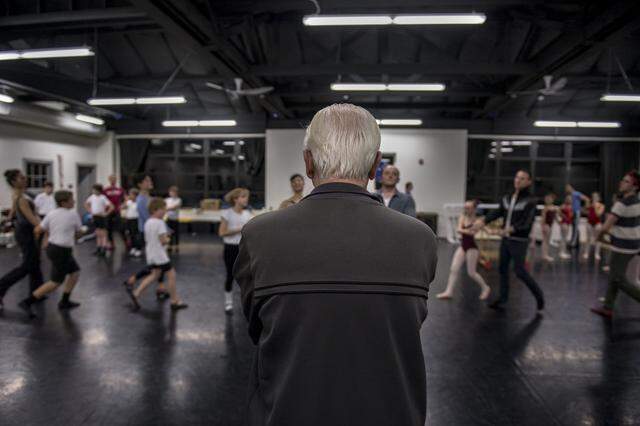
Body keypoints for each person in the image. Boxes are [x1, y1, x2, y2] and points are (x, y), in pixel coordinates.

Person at [234, 104, 438, 426]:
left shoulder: (259, 235)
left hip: (288, 412)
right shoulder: (421, 239)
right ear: (374, 165)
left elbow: (258, 328)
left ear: (308, 162)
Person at [473, 170, 545, 311]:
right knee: (502, 269)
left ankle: (539, 295)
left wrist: (506, 230)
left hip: (519, 241)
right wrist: (483, 221)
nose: (518, 180)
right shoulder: (507, 197)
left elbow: (526, 224)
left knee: (519, 271)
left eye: (523, 178)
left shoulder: (531, 200)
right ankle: (503, 298)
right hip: (506, 240)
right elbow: (498, 212)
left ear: (529, 182)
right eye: (517, 177)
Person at [19, 190, 83, 317]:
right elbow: (79, 233)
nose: (74, 201)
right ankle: (27, 302)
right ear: (64, 202)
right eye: (71, 199)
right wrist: (76, 233)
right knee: (55, 282)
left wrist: (45, 239)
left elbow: (38, 229)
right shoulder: (73, 214)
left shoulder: (51, 214)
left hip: (54, 248)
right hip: (61, 251)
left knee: (75, 272)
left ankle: (64, 301)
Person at [590, 171, 640, 318]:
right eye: (622, 180)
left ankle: (609, 306)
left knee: (618, 279)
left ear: (634, 187)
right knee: (614, 276)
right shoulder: (637, 201)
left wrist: (598, 238)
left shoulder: (621, 204)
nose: (621, 183)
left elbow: (605, 227)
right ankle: (608, 307)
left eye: (626, 181)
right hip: (634, 244)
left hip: (623, 247)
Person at [123, 198, 187, 312]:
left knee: (155, 275)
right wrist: (168, 238)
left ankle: (136, 293)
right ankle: (174, 301)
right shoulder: (160, 223)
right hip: (160, 255)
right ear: (155, 210)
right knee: (171, 275)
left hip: (151, 253)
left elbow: (148, 238)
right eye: (163, 210)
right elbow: (163, 240)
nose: (165, 212)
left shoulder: (148, 222)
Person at [0, 170, 44, 310]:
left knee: (35, 263)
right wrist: (47, 227)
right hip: (26, 234)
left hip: (25, 232)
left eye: (25, 177)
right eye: (21, 178)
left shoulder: (18, 194)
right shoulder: (22, 198)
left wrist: (8, 220)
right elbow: (33, 220)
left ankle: (37, 293)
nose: (25, 179)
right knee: (27, 265)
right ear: (14, 182)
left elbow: (13, 211)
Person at [437, 200, 491, 300]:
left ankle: (485, 287)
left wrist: (472, 230)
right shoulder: (463, 217)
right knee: (454, 269)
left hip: (472, 248)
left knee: (472, 273)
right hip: (463, 246)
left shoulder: (478, 221)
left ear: (474, 209)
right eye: (465, 207)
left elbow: (473, 233)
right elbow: (459, 230)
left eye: (468, 207)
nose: (466, 209)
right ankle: (449, 291)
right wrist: (468, 230)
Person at [219, 187, 252, 313]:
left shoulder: (247, 214)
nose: (246, 199)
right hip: (230, 249)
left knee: (247, 277)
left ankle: (247, 303)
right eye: (243, 197)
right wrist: (240, 229)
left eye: (246, 196)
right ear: (235, 199)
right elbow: (221, 232)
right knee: (230, 275)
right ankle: (228, 303)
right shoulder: (227, 213)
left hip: (244, 248)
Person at [85, 184, 113, 256]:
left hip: (101, 217)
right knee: (97, 233)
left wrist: (106, 213)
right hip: (95, 216)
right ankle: (99, 248)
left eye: (94, 189)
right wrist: (90, 211)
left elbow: (111, 206)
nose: (93, 191)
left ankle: (104, 248)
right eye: (93, 189)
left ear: (98, 190)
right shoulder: (92, 197)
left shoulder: (103, 197)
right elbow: (86, 204)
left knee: (103, 233)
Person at [103, 174, 125, 251]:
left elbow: (123, 200)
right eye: (111, 179)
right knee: (108, 228)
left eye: (114, 179)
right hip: (109, 211)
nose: (113, 180)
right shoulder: (105, 190)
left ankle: (126, 242)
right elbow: (103, 200)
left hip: (117, 211)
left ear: (116, 180)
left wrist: (122, 205)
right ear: (109, 180)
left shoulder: (120, 190)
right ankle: (111, 244)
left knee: (121, 227)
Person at [565, 184, 589, 249]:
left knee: (575, 227)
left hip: (577, 212)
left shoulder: (576, 193)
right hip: (573, 212)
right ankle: (574, 241)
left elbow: (586, 199)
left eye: (567, 188)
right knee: (574, 227)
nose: (566, 189)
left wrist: (584, 208)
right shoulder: (571, 195)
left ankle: (574, 243)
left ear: (570, 187)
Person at [583, 192, 605, 261]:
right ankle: (586, 252)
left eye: (596, 196)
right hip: (589, 223)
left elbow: (598, 214)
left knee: (598, 239)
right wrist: (587, 205)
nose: (594, 198)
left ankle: (597, 253)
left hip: (597, 223)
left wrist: (595, 206)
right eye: (593, 196)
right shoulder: (589, 204)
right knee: (588, 239)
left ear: (599, 198)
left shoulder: (601, 205)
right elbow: (584, 211)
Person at [165, 185, 182, 253]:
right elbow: (164, 206)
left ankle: (177, 246)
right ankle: (170, 246)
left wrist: (167, 209)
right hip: (169, 219)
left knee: (176, 234)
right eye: (171, 192)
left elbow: (174, 207)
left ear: (176, 193)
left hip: (175, 219)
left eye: (174, 192)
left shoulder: (179, 200)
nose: (172, 193)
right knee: (169, 233)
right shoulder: (167, 200)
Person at [541, 193, 558, 262]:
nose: (548, 200)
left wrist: (559, 222)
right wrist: (543, 226)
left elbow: (555, 217)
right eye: (547, 199)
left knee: (547, 241)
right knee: (545, 240)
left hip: (550, 225)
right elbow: (543, 218)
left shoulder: (553, 207)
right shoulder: (545, 208)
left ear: (552, 200)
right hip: (546, 225)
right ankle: (544, 255)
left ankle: (546, 254)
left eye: (549, 199)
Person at [123, 188, 140, 256]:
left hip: (136, 220)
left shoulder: (138, 202)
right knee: (130, 234)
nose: (130, 196)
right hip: (129, 220)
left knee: (136, 235)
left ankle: (138, 249)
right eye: (129, 194)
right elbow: (122, 207)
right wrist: (126, 200)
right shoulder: (128, 202)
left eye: (131, 195)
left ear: (135, 195)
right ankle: (133, 247)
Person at [559, 195, 574, 260]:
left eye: (570, 199)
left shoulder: (571, 207)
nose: (569, 200)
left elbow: (571, 215)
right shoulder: (563, 206)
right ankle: (561, 252)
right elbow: (558, 212)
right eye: (568, 199)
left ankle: (563, 252)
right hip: (564, 223)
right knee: (563, 238)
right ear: (566, 199)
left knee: (565, 238)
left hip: (567, 223)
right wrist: (562, 217)